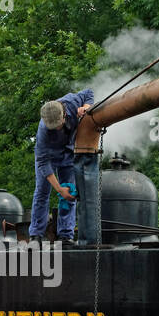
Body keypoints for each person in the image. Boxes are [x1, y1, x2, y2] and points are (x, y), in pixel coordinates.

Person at [29, 88, 93, 242]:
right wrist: (58, 189)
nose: (57, 128)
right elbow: (43, 162)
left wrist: (86, 107)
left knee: (68, 194)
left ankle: (65, 236)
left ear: (64, 114)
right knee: (42, 192)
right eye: (53, 127)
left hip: (68, 154)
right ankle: (36, 234)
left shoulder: (71, 101)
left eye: (58, 124)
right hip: (48, 158)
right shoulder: (43, 131)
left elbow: (88, 93)